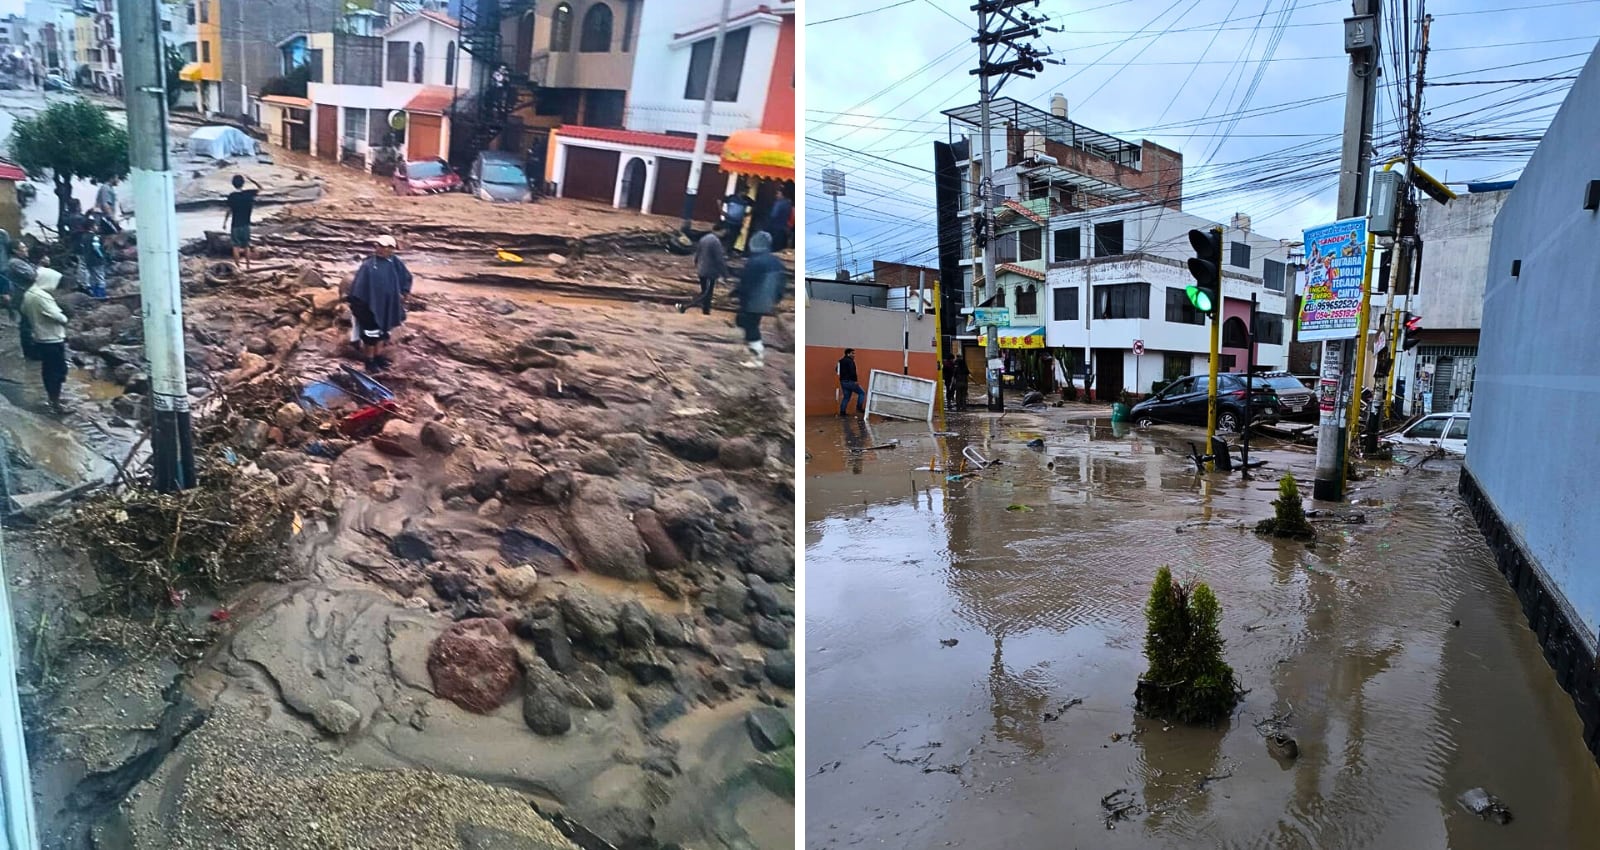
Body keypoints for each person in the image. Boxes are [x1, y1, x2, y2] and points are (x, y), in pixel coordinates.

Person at [347, 234, 413, 372]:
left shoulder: (394, 262)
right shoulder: (369, 265)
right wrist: (360, 308)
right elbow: (358, 289)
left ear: (391, 249)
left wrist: (404, 292)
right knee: (370, 335)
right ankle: (369, 361)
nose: (380, 249)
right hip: (368, 306)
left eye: (384, 247)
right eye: (378, 246)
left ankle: (378, 357)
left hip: (387, 305)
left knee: (383, 332)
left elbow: (406, 277)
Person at [18, 258, 69, 414]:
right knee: (57, 371)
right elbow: (60, 317)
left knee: (48, 370)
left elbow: (23, 310)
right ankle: (55, 403)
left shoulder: (29, 293)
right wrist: (64, 315)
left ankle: (53, 399)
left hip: (40, 337)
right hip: (52, 338)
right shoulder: (41, 296)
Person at [733, 231, 783, 368]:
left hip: (753, 299)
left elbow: (747, 283)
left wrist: (739, 295)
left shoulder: (754, 262)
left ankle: (756, 357)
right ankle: (751, 348)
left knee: (749, 326)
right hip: (768, 300)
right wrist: (776, 299)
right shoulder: (776, 261)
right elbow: (781, 283)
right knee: (750, 323)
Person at [678, 222, 730, 316]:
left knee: (707, 293)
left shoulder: (704, 238)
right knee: (705, 294)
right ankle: (685, 306)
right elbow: (719, 260)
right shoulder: (715, 242)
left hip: (702, 269)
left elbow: (697, 253)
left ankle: (706, 311)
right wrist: (725, 274)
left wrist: (697, 264)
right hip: (710, 271)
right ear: (721, 231)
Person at [222, 174, 263, 269]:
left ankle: (238, 267)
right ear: (243, 183)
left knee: (235, 247)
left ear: (233, 184)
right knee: (246, 246)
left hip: (235, 225)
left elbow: (229, 210)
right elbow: (261, 188)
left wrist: (224, 223)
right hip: (246, 225)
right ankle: (248, 266)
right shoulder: (248, 194)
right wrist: (251, 179)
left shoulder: (232, 196)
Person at [837, 348, 866, 417]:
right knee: (862, 393)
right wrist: (855, 381)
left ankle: (842, 412)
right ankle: (859, 407)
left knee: (846, 397)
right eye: (852, 353)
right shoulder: (850, 361)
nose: (854, 355)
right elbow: (853, 371)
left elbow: (837, 369)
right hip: (850, 381)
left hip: (843, 381)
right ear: (848, 354)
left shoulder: (841, 361)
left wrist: (842, 375)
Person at [767, 185, 793, 253]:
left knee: (771, 246)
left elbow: (773, 215)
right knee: (778, 248)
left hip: (775, 227)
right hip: (783, 228)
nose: (776, 195)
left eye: (778, 193)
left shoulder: (778, 203)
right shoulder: (788, 204)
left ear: (781, 194)